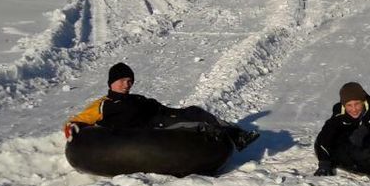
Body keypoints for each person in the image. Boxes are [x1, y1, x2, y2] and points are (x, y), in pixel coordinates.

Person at [65, 62, 259, 151]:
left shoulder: (138, 98)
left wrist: (180, 112)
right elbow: (79, 120)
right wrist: (73, 128)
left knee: (194, 111)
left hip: (162, 117)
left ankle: (236, 135)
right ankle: (216, 138)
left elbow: (160, 108)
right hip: (149, 131)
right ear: (111, 82)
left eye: (130, 81)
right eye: (122, 80)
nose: (127, 84)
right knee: (192, 127)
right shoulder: (103, 104)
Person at [313, 82, 370, 176]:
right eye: (349, 105)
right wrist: (324, 164)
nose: (354, 109)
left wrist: (365, 129)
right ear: (344, 105)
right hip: (350, 153)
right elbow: (324, 137)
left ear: (363, 102)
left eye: (357, 104)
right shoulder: (338, 117)